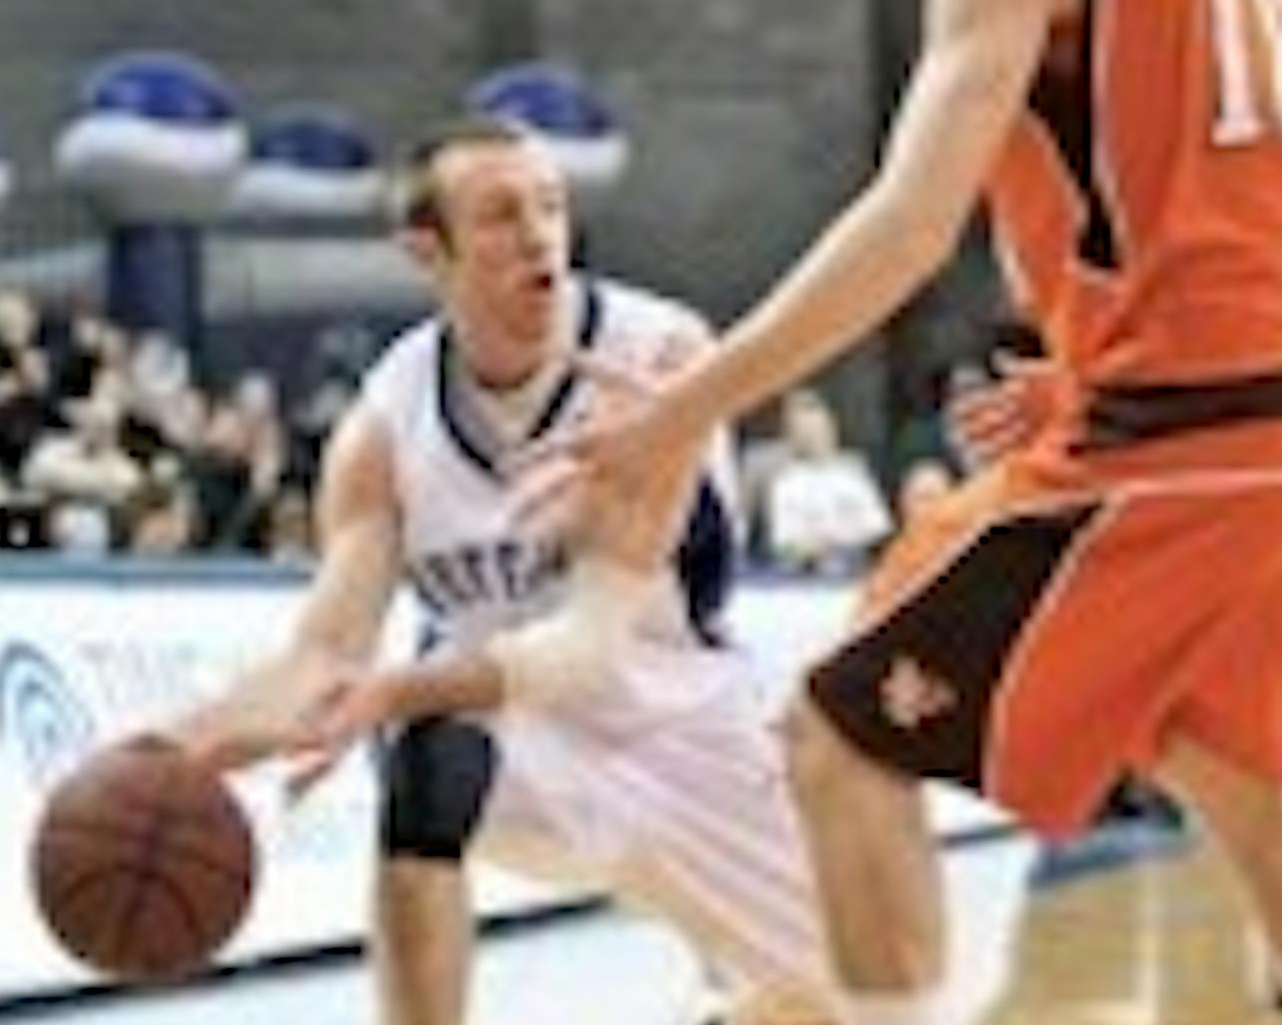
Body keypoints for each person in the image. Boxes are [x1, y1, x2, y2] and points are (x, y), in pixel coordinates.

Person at [551, 0, 1282, 1023]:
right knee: (1228, 764)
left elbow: (912, 225)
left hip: (1200, 425)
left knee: (838, 736)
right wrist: (1100, 361)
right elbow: (1257, 193)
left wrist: (682, 412)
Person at [164, 119, 1028, 1025]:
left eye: (550, 207)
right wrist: (169, 752)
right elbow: (322, 653)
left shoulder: (654, 357)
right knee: (429, 758)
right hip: (522, 750)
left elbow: (586, 649)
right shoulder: (385, 425)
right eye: (500, 215)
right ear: (428, 251)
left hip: (691, 732)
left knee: (875, 1009)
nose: (538, 235)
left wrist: (386, 691)